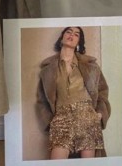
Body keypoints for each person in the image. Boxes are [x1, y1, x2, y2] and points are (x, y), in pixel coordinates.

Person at [35, 26, 110, 160]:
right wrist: (50, 121)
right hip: (61, 117)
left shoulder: (90, 66)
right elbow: (42, 99)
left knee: (88, 163)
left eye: (76, 34)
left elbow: (102, 91)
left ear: (79, 42)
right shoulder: (49, 68)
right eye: (68, 32)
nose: (72, 35)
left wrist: (99, 113)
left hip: (87, 117)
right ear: (62, 37)